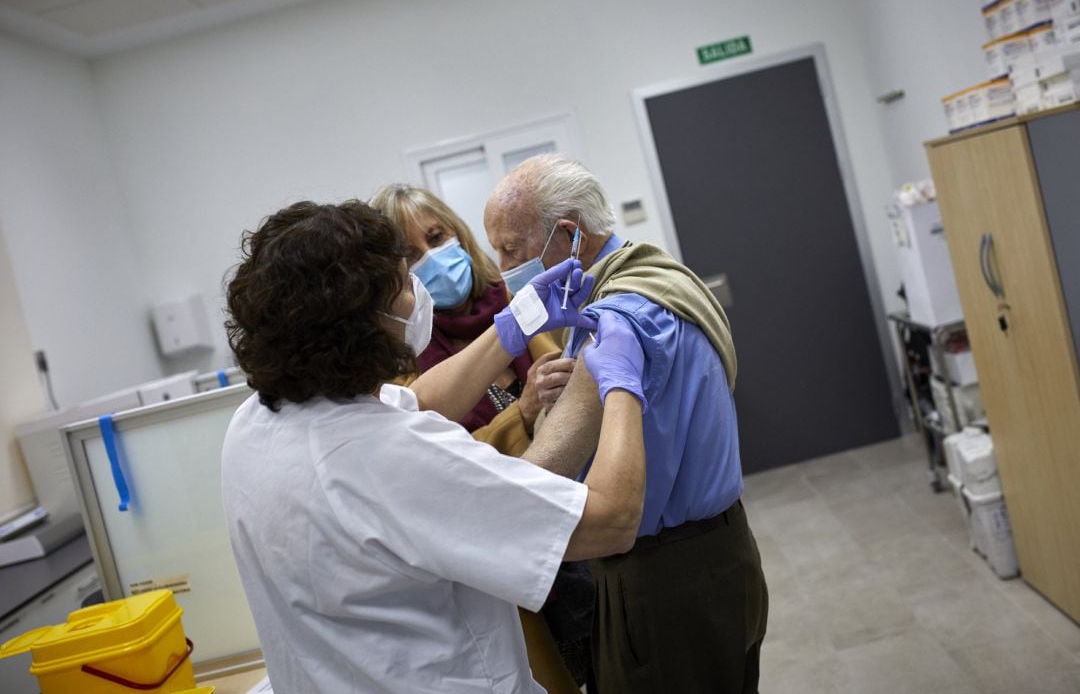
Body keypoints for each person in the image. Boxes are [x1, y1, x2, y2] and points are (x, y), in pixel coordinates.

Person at [221, 199, 648, 694]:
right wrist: (619, 384)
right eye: (404, 285)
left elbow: (417, 400)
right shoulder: (385, 458)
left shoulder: (256, 422)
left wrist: (514, 324)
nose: (418, 292)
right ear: (363, 325)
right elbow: (611, 520)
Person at [484, 154, 769, 694]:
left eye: (511, 249)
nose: (502, 269)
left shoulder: (616, 319)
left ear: (568, 234)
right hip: (724, 553)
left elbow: (540, 475)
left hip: (664, 582)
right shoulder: (660, 274)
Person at [369, 183, 591, 691]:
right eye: (410, 255)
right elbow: (442, 468)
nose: (433, 259)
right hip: (514, 561)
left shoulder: (519, 302)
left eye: (437, 236)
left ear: (458, 232)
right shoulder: (399, 363)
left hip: (584, 517)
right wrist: (526, 411)